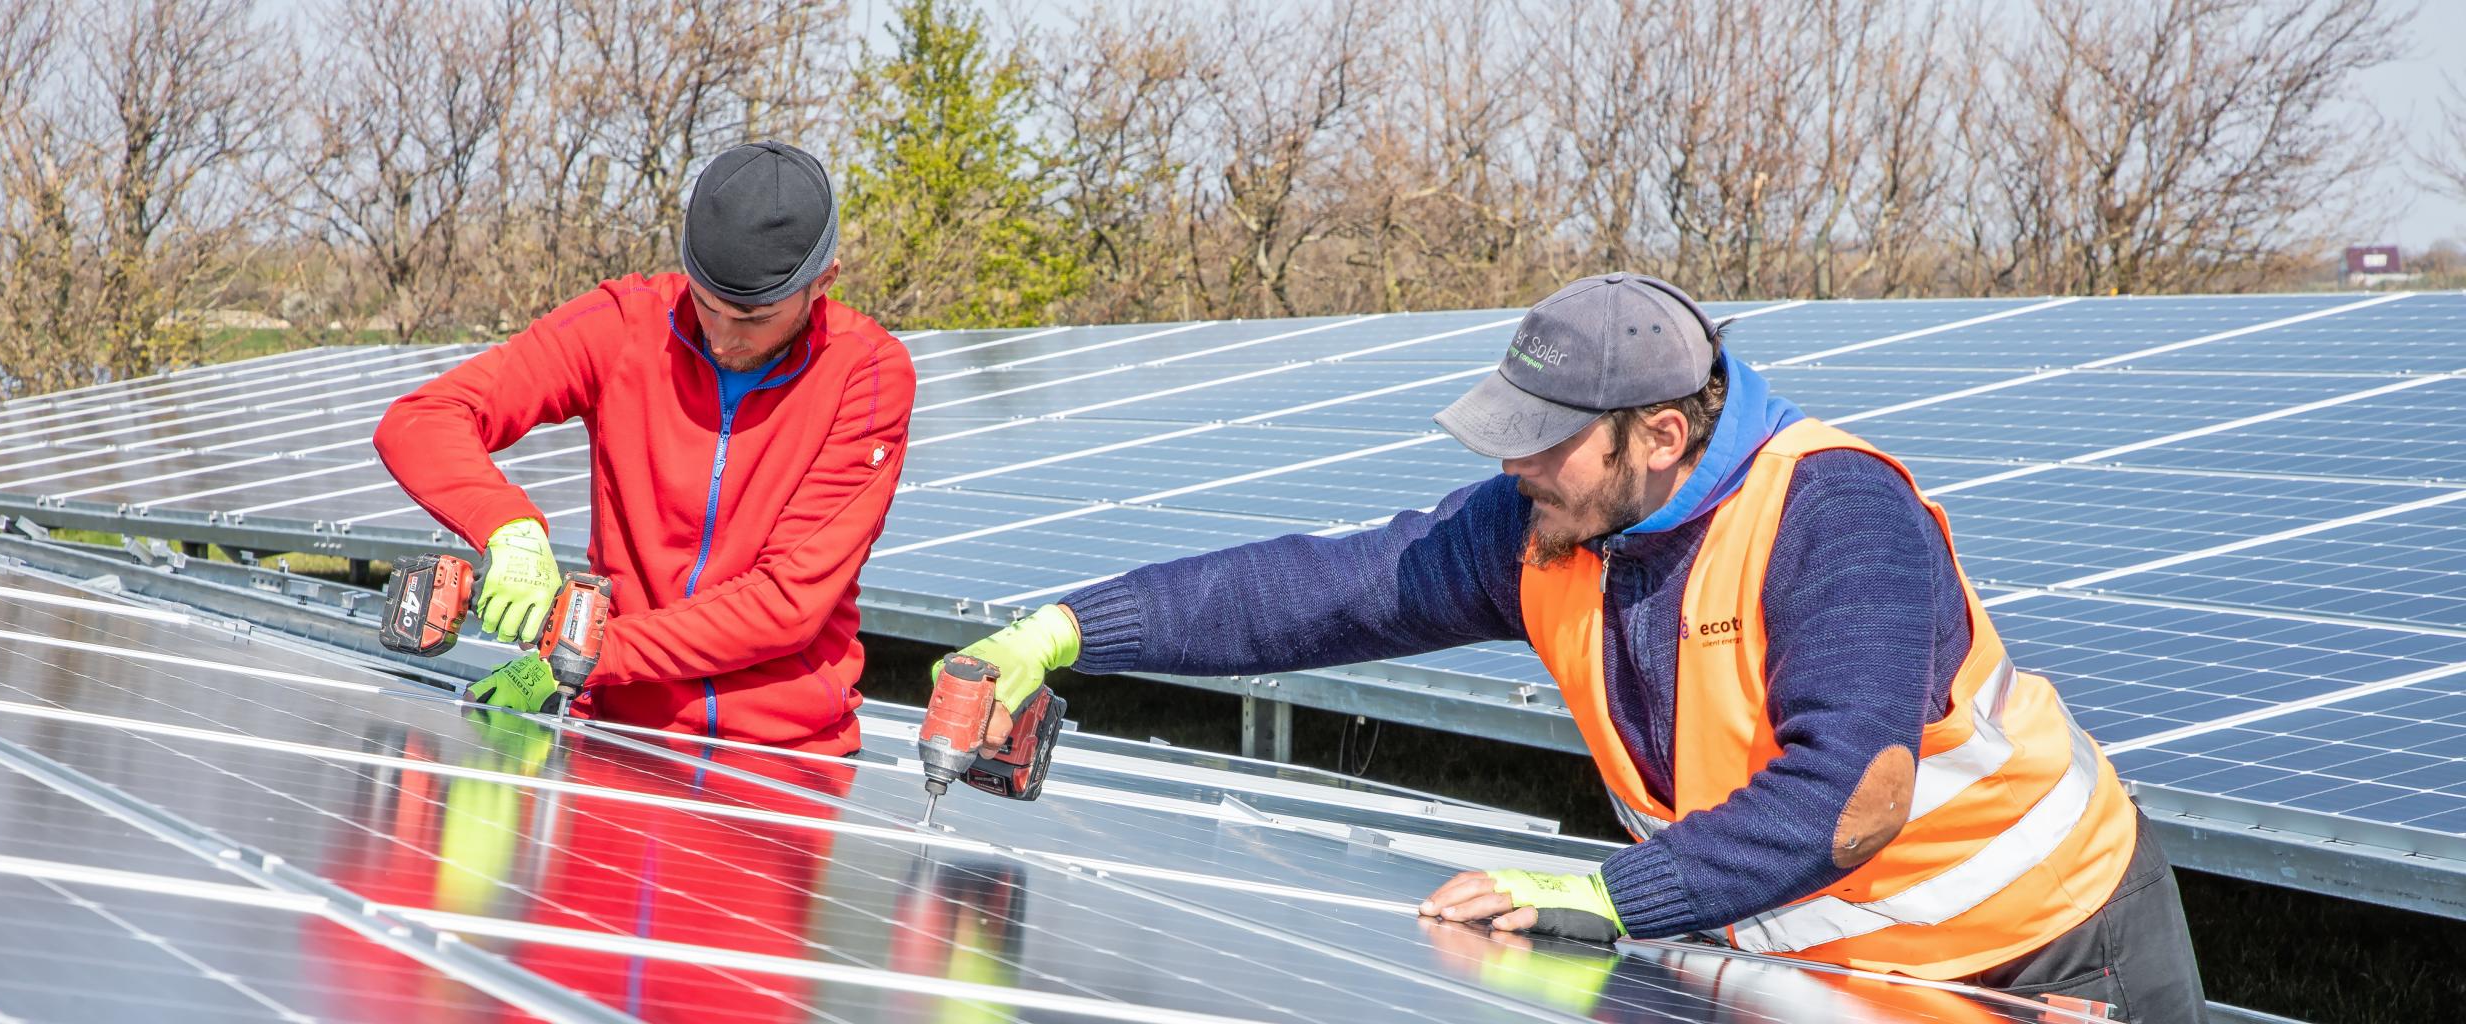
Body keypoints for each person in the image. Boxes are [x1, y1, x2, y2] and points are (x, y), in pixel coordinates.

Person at [934, 273, 2206, 1022]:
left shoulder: (1833, 516)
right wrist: (1065, 630)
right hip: (1823, 971)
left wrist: (1605, 897)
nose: (1512, 463)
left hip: (2043, 955)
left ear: (1657, 434)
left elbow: (1852, 795)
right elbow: (1324, 589)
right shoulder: (1551, 524)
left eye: (1545, 438)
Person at [376, 141, 913, 754]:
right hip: (619, 735)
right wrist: (510, 530)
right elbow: (423, 419)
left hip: (786, 756)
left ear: (823, 283)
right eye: (709, 306)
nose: (723, 338)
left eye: (754, 319)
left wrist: (582, 654)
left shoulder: (866, 376)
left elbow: (786, 603)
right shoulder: (628, 323)